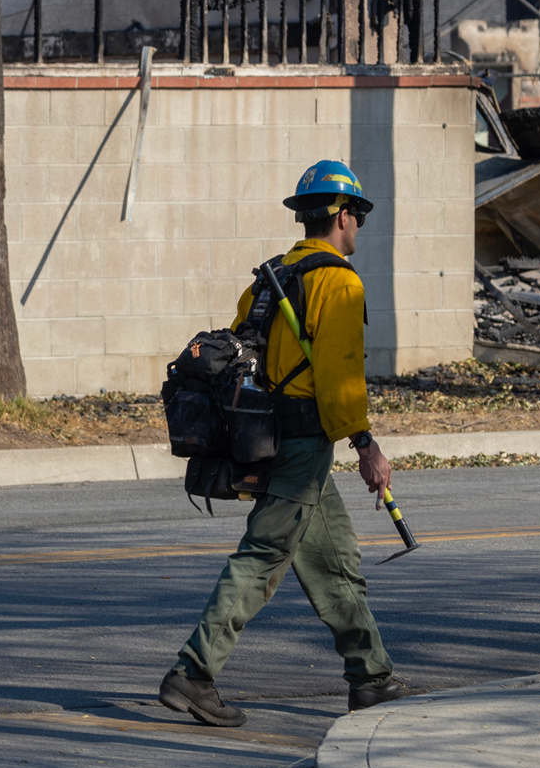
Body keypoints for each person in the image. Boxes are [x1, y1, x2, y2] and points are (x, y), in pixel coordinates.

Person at [158, 160, 412, 729]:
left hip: (267, 434)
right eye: (358, 219)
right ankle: (194, 674)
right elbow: (340, 373)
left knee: (333, 558)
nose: (357, 230)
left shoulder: (269, 278)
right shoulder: (339, 281)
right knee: (264, 557)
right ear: (343, 216)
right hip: (304, 442)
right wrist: (365, 443)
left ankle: (371, 677)